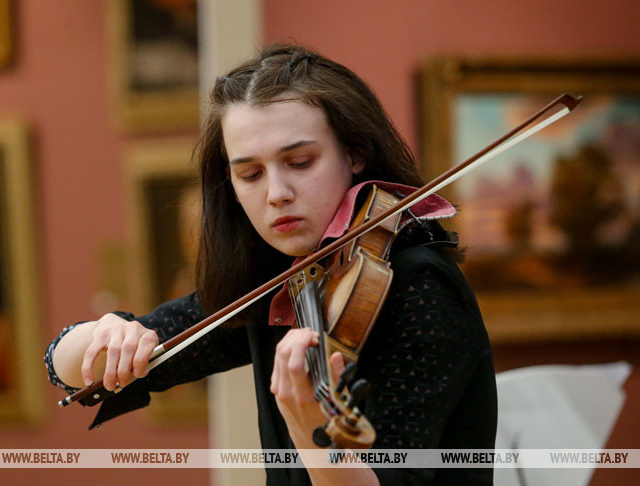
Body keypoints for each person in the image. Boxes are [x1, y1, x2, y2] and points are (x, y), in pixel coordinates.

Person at [45, 44, 497, 485]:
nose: (276, 192)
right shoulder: (285, 279)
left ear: (355, 153)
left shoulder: (420, 285)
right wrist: (106, 336)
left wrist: (308, 428)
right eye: (250, 174)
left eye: (299, 162)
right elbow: (71, 366)